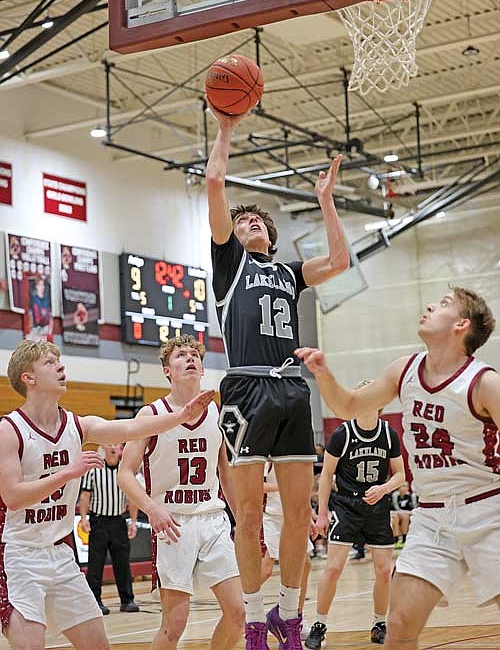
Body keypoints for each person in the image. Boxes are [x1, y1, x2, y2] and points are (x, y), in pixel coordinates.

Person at [206, 107, 349, 650]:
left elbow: (339, 258)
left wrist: (326, 201)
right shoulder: (229, 267)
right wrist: (226, 125)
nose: (248, 225)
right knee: (246, 514)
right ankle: (253, 622)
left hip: (290, 386)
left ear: (269, 231)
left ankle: (289, 618)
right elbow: (216, 180)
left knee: (296, 513)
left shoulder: (289, 272)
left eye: (256, 222)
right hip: (244, 387)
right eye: (240, 222)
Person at [296, 286, 500, 650]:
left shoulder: (484, 383)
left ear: (461, 325)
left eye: (443, 305)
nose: (429, 306)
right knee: (400, 624)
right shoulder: (404, 370)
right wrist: (324, 374)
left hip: (488, 511)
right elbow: (348, 404)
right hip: (433, 516)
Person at [0, 339, 214, 650]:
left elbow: (130, 429)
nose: (60, 366)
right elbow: (13, 496)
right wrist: (69, 473)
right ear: (28, 378)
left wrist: (180, 416)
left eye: (59, 361)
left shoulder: (77, 425)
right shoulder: (10, 429)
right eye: (49, 363)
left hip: (60, 553)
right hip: (16, 553)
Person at [117, 334, 244, 650]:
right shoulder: (151, 414)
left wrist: (243, 520)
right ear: (167, 371)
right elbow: (124, 474)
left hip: (213, 519)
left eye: (194, 355)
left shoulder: (217, 412)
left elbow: (225, 473)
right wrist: (151, 508)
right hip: (172, 523)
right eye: (180, 356)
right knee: (175, 625)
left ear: (202, 369)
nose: (189, 359)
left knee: (239, 613)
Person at [305, 408, 405, 649]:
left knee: (383, 570)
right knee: (333, 568)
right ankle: (319, 624)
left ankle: (379, 624)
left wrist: (383, 488)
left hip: (377, 506)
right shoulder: (342, 434)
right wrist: (322, 514)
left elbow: (400, 474)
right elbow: (327, 474)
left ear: (379, 405)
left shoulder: (388, 434)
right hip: (346, 506)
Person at [79, 443, 140, 615]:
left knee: (122, 563)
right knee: (95, 564)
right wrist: (83, 518)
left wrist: (133, 521)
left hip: (119, 522)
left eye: (116, 444)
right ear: (104, 447)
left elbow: (132, 498)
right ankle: (95, 601)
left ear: (120, 448)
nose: (113, 447)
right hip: (98, 522)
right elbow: (85, 496)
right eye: (110, 444)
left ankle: (127, 600)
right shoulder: (94, 470)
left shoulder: (125, 471)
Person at [260, 463, 313, 640]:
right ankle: (241, 609)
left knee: (304, 566)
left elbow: (301, 489)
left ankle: (296, 617)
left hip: (293, 516)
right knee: (265, 569)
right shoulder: (265, 454)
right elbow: (257, 486)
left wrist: (308, 517)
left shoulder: (294, 452)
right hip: (270, 517)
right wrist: (282, 485)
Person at [391, 483, 418, 549]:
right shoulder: (395, 495)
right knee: (396, 517)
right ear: (398, 487)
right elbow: (394, 507)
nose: (404, 488)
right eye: (402, 486)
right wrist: (399, 512)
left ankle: (404, 539)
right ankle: (396, 539)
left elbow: (414, 508)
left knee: (405, 517)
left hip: (408, 514)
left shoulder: (412, 496)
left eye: (406, 486)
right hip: (396, 513)